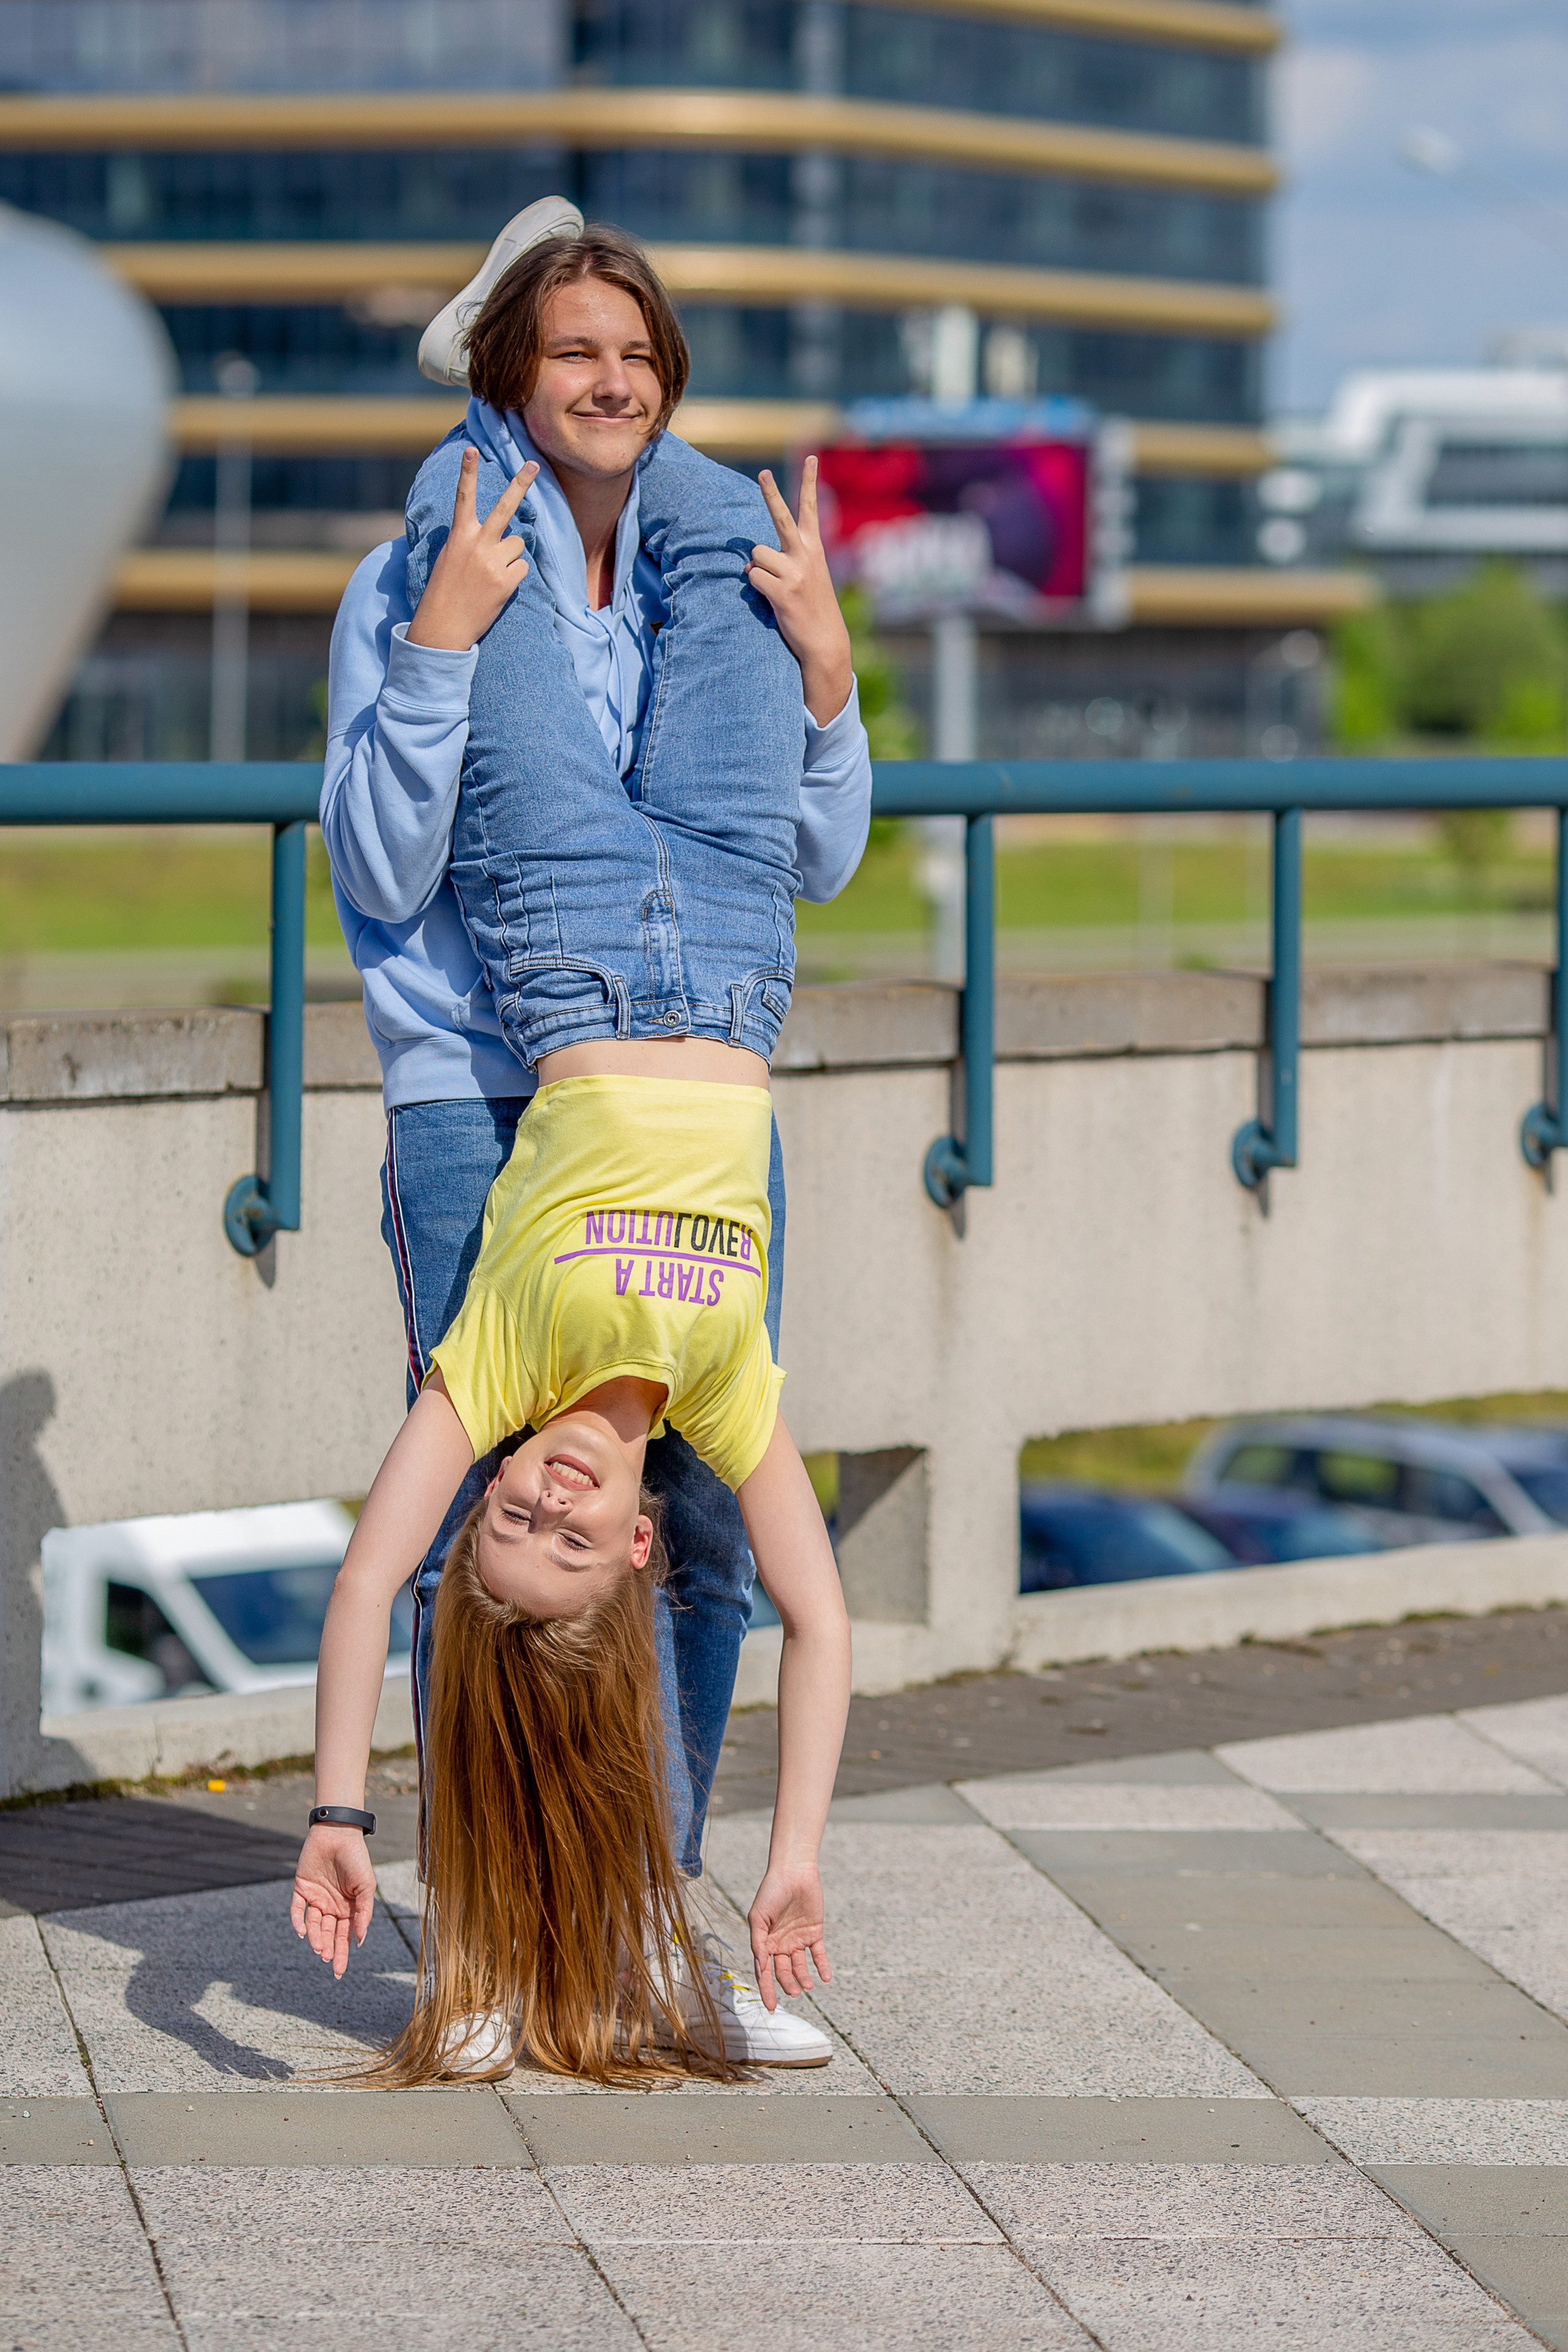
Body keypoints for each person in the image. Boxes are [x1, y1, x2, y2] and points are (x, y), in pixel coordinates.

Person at [308, 209, 870, 2068]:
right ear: (513, 382)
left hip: (698, 1042)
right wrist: (445, 652)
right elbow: (383, 874)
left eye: (632, 357)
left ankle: (640, 1924)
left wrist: (829, 681)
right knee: (494, 1512)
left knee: (692, 1523)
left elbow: (817, 860)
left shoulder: (716, 557)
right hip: (492, 1077)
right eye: (564, 357)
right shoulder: (424, 569)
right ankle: (483, 1939)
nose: (611, 385)